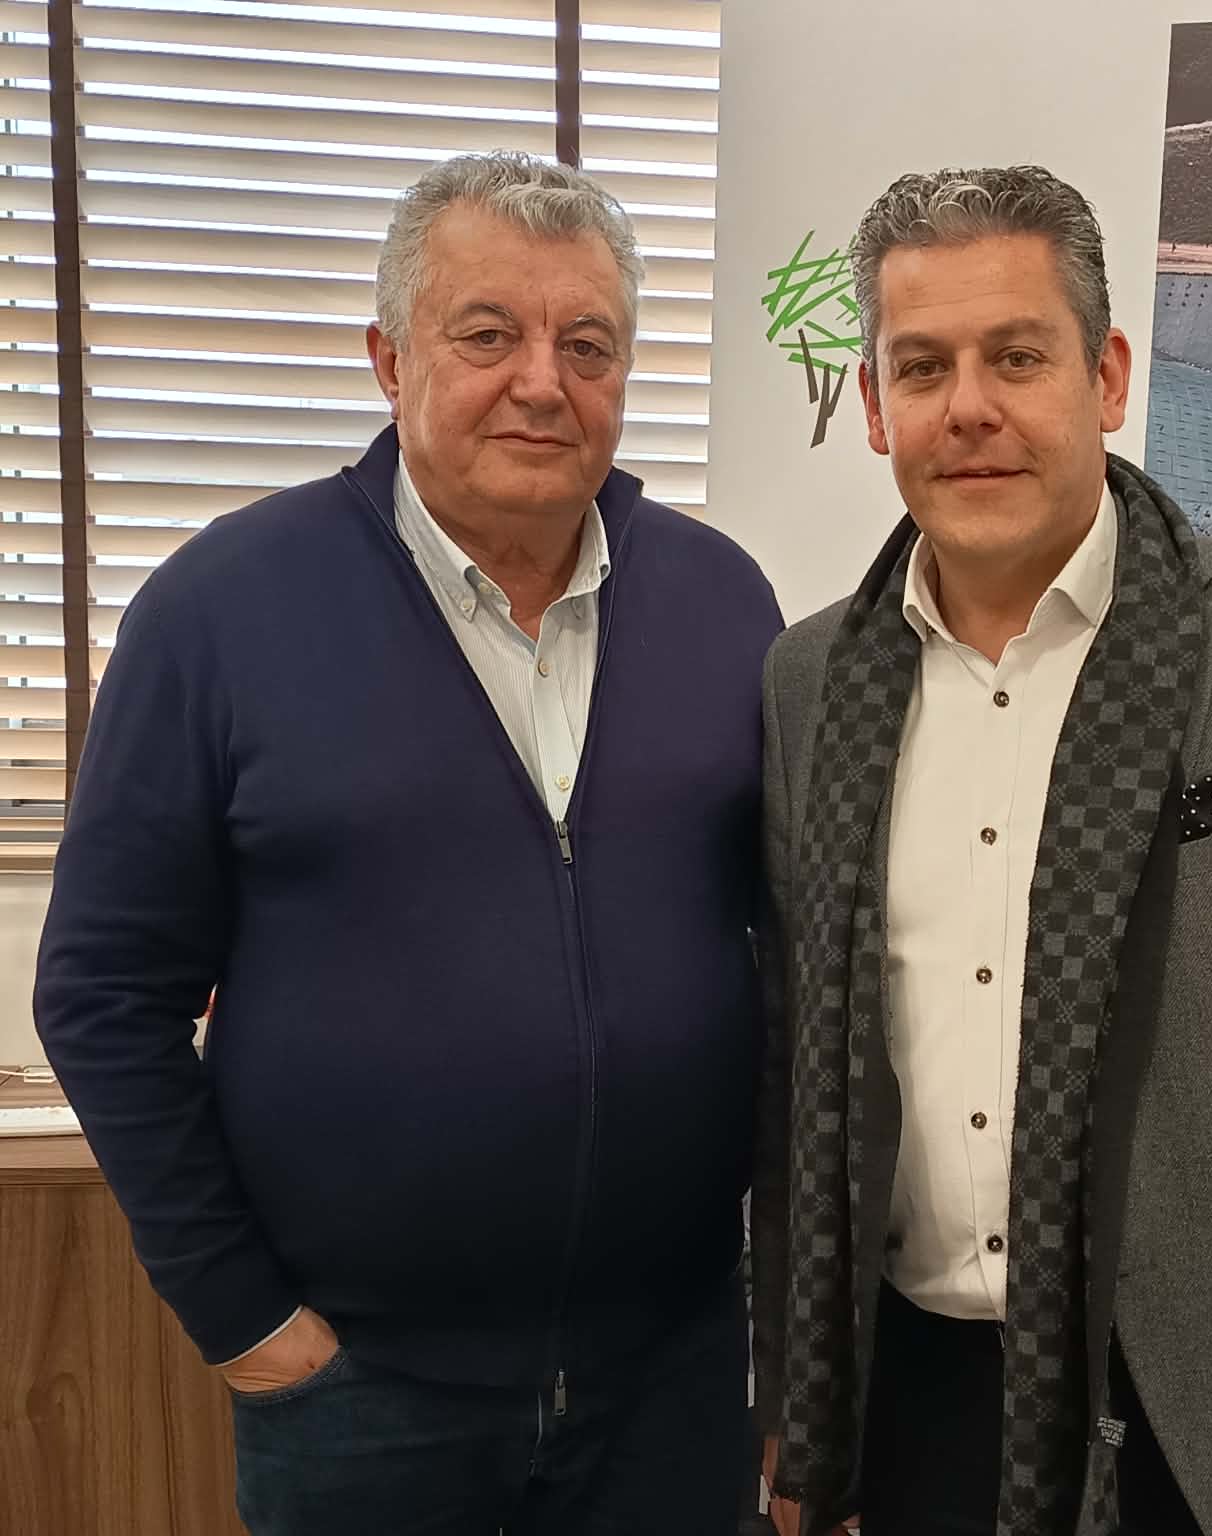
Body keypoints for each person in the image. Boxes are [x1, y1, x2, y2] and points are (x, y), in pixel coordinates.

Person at [750, 166, 1212, 1536]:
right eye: (922, 366)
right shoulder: (811, 686)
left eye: (1016, 357)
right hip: (910, 1395)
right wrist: (798, 1410)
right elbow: (800, 1066)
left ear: (1104, 378)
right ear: (872, 405)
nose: (968, 406)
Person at [34, 151, 781, 1534]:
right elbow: (101, 993)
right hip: (363, 1395)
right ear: (390, 358)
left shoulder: (725, 605)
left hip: (670, 1381)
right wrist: (247, 1321)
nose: (543, 382)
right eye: (487, 335)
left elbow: (784, 958)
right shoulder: (221, 612)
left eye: (587, 345)